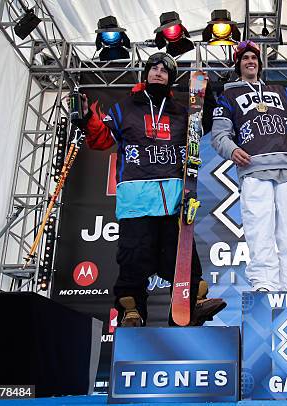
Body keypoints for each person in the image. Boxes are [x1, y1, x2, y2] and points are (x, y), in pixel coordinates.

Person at [79, 52, 225, 327]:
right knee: (134, 257)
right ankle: (132, 311)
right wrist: (88, 117)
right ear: (145, 74)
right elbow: (100, 139)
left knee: (182, 257)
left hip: (173, 200)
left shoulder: (181, 111)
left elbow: (200, 129)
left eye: (164, 70)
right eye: (154, 68)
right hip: (136, 199)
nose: (158, 72)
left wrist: (210, 98)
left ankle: (190, 304)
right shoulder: (126, 107)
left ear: (170, 79)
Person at [211, 40, 287, 291]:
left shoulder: (280, 91)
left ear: (260, 65)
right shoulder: (229, 96)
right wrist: (233, 149)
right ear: (237, 64)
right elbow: (219, 136)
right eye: (245, 58)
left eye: (254, 58)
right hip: (255, 167)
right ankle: (264, 284)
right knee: (259, 227)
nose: (250, 61)